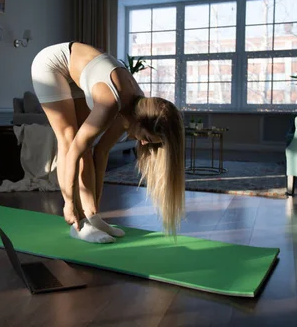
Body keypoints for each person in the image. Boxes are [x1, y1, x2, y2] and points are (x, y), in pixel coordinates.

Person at [31, 42, 185, 244]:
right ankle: (78, 224)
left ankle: (92, 218)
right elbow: (74, 154)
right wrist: (70, 204)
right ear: (141, 122)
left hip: (77, 70)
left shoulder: (134, 110)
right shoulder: (111, 103)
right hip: (50, 64)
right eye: (147, 138)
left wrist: (94, 209)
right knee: (70, 139)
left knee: (87, 146)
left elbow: (101, 153)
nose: (145, 144)